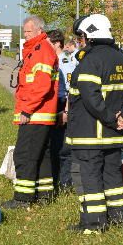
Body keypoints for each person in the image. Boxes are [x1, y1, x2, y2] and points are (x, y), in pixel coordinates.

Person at [66, 14, 123, 234]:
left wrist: (111, 118)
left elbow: (91, 97)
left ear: (89, 35)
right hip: (114, 134)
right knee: (112, 177)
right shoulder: (121, 58)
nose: (80, 41)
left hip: (90, 134)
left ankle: (93, 224)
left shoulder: (90, 60)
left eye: (81, 36)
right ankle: (121, 218)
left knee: (90, 180)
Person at [2, 16, 59, 209]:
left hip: (35, 113)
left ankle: (23, 198)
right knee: (42, 155)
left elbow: (41, 87)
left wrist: (27, 109)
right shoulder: (37, 50)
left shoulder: (41, 50)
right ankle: (45, 195)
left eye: (28, 32)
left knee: (24, 155)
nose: (25, 35)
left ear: (38, 30)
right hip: (40, 113)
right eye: (24, 32)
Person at [46, 30, 78, 191]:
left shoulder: (65, 61)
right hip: (53, 104)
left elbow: (71, 89)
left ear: (57, 43)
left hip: (62, 104)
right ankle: (56, 180)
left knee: (63, 147)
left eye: (49, 43)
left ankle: (65, 183)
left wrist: (65, 112)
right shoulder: (51, 59)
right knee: (53, 144)